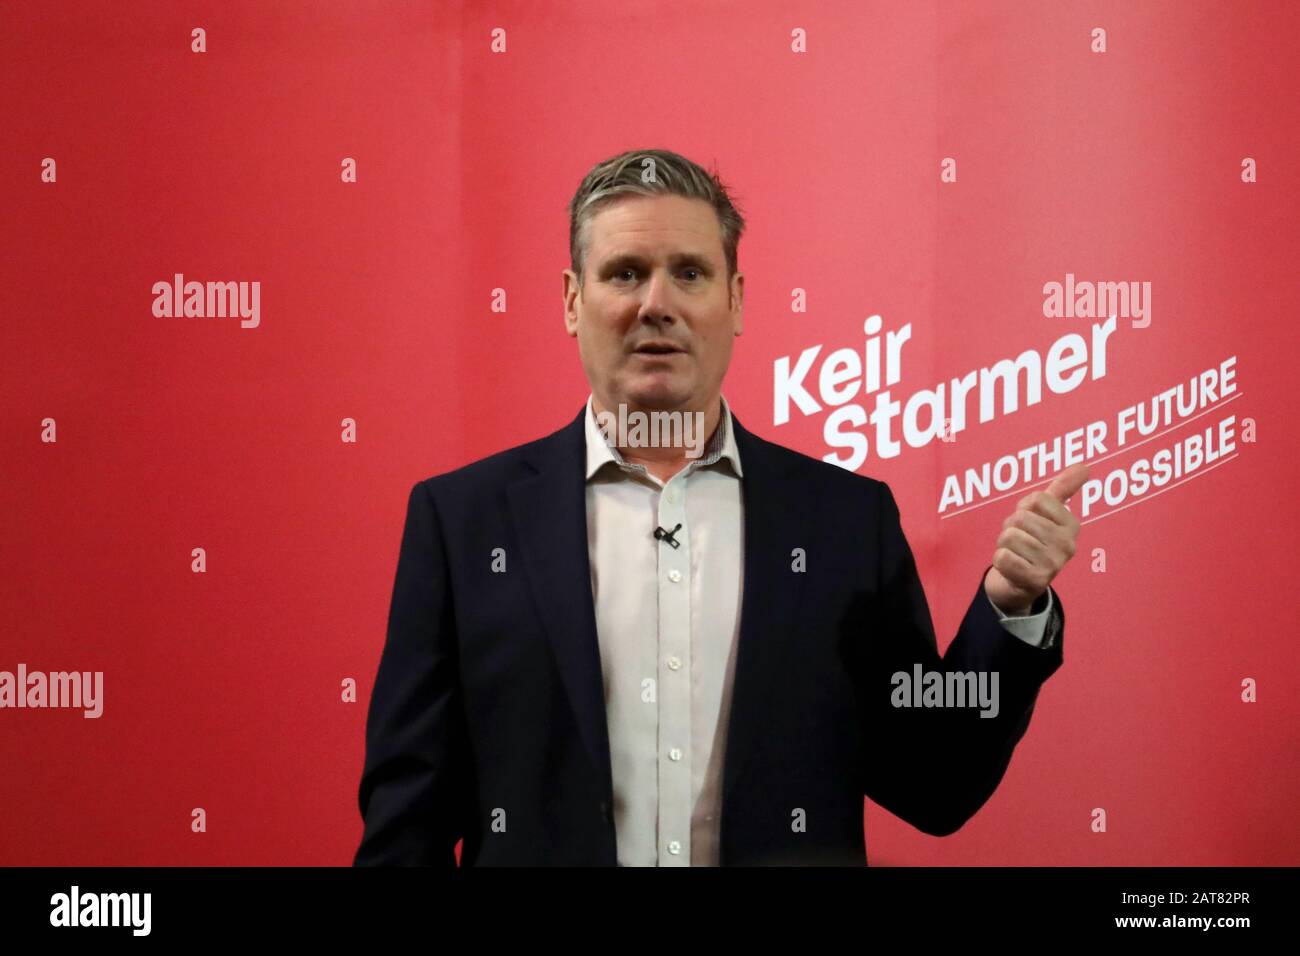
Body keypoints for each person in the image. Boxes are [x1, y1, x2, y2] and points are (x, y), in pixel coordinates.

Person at [353, 148, 1086, 866]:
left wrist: (1010, 607)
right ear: (574, 302)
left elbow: (935, 782)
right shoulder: (463, 523)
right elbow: (407, 826)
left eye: (690, 273)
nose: (657, 304)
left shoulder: (844, 522)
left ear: (735, 301)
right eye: (625, 273)